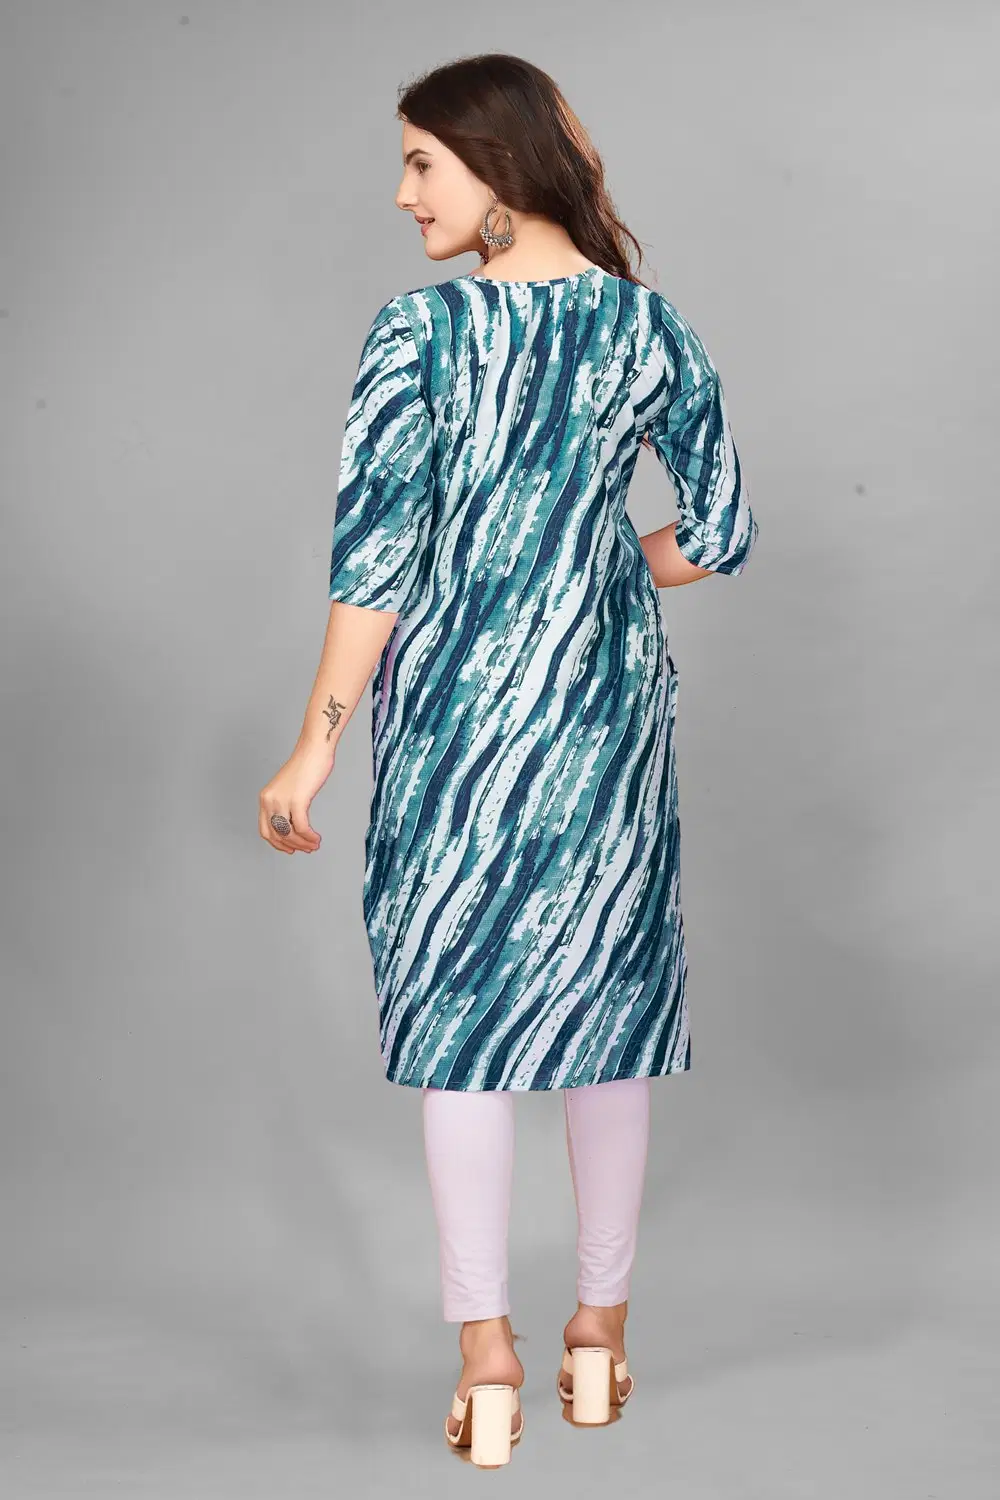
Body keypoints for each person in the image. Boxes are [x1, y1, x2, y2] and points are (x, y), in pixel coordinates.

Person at [259, 52, 758, 1467]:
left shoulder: (419, 334)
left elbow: (376, 567)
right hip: (603, 727)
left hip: (455, 741)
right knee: (610, 1025)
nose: (402, 193)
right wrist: (592, 570)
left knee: (461, 1032)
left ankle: (488, 1359)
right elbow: (720, 527)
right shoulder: (646, 327)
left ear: (497, 166)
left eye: (421, 162)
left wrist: (311, 750)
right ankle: (600, 1339)